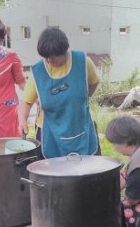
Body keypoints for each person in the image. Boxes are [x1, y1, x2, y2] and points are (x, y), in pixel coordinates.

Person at [18, 27, 100, 158]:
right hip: (49, 131)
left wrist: (82, 99)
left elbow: (94, 82)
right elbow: (26, 102)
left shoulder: (83, 62)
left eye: (53, 58)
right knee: (53, 175)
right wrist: (22, 120)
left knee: (87, 172)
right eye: (45, 58)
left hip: (80, 126)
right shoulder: (38, 71)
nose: (49, 61)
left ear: (64, 51)